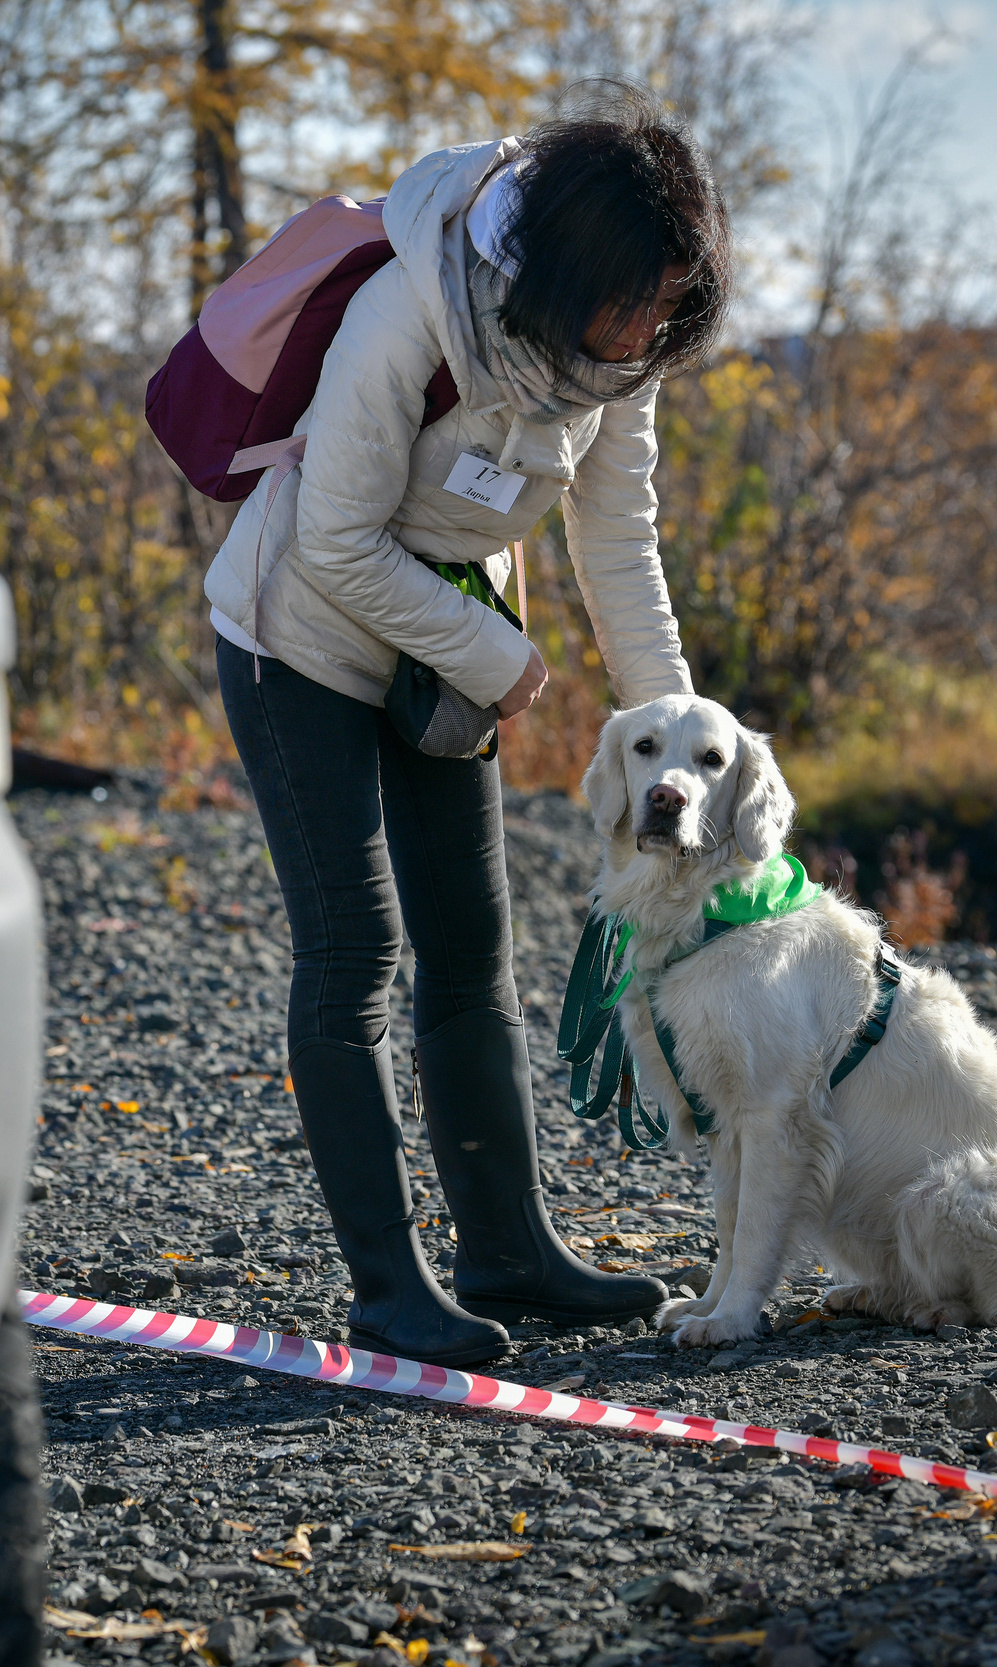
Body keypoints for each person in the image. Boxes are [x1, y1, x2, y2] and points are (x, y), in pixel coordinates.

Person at [202, 82, 732, 1366]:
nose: (647, 327)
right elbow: (331, 543)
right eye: (635, 298)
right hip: (303, 637)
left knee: (473, 949)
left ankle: (507, 1250)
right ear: (565, 269)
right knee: (355, 952)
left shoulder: (619, 357)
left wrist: (675, 725)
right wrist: (499, 658)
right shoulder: (407, 316)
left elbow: (619, 538)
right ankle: (389, 1288)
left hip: (446, 653)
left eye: (671, 305)